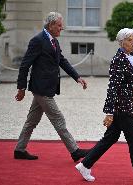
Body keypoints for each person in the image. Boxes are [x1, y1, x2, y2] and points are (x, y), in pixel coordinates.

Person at [75, 28, 133, 184]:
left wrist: (132, 86)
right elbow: (113, 87)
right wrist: (109, 112)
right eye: (130, 40)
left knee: (110, 137)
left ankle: (85, 164)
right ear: (122, 42)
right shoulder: (119, 59)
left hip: (123, 105)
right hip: (121, 107)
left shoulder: (127, 57)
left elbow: (123, 82)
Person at [14, 12, 90, 161]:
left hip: (45, 88)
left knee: (31, 121)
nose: (62, 28)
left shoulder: (53, 40)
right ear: (51, 25)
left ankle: (19, 149)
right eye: (59, 25)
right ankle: (74, 151)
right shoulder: (37, 41)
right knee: (58, 118)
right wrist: (21, 88)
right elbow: (24, 65)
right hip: (42, 89)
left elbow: (61, 60)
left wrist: (77, 77)